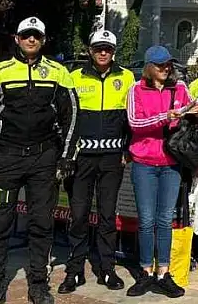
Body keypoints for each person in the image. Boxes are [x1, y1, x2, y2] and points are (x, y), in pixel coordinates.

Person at [0, 17, 79, 304]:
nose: (32, 40)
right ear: (17, 38)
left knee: (42, 224)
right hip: (5, 158)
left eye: (37, 36)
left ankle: (38, 284)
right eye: (26, 35)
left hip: (44, 159)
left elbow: (72, 116)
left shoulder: (59, 72)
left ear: (44, 40)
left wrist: (67, 156)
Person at [126, 46, 198, 298]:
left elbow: (190, 118)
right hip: (144, 163)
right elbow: (135, 123)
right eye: (160, 65)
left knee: (164, 220)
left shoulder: (180, 89)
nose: (165, 69)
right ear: (149, 66)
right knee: (146, 220)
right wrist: (164, 116)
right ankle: (145, 271)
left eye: (168, 64)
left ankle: (164, 272)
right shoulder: (136, 90)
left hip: (171, 162)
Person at [60, 29, 135, 293]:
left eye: (108, 49)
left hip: (112, 158)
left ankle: (107, 269)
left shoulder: (126, 76)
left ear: (114, 52)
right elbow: (65, 117)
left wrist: (128, 149)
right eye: (98, 48)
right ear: (90, 50)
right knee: (79, 215)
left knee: (106, 216)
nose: (103, 53)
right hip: (82, 159)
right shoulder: (74, 76)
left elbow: (131, 118)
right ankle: (75, 270)